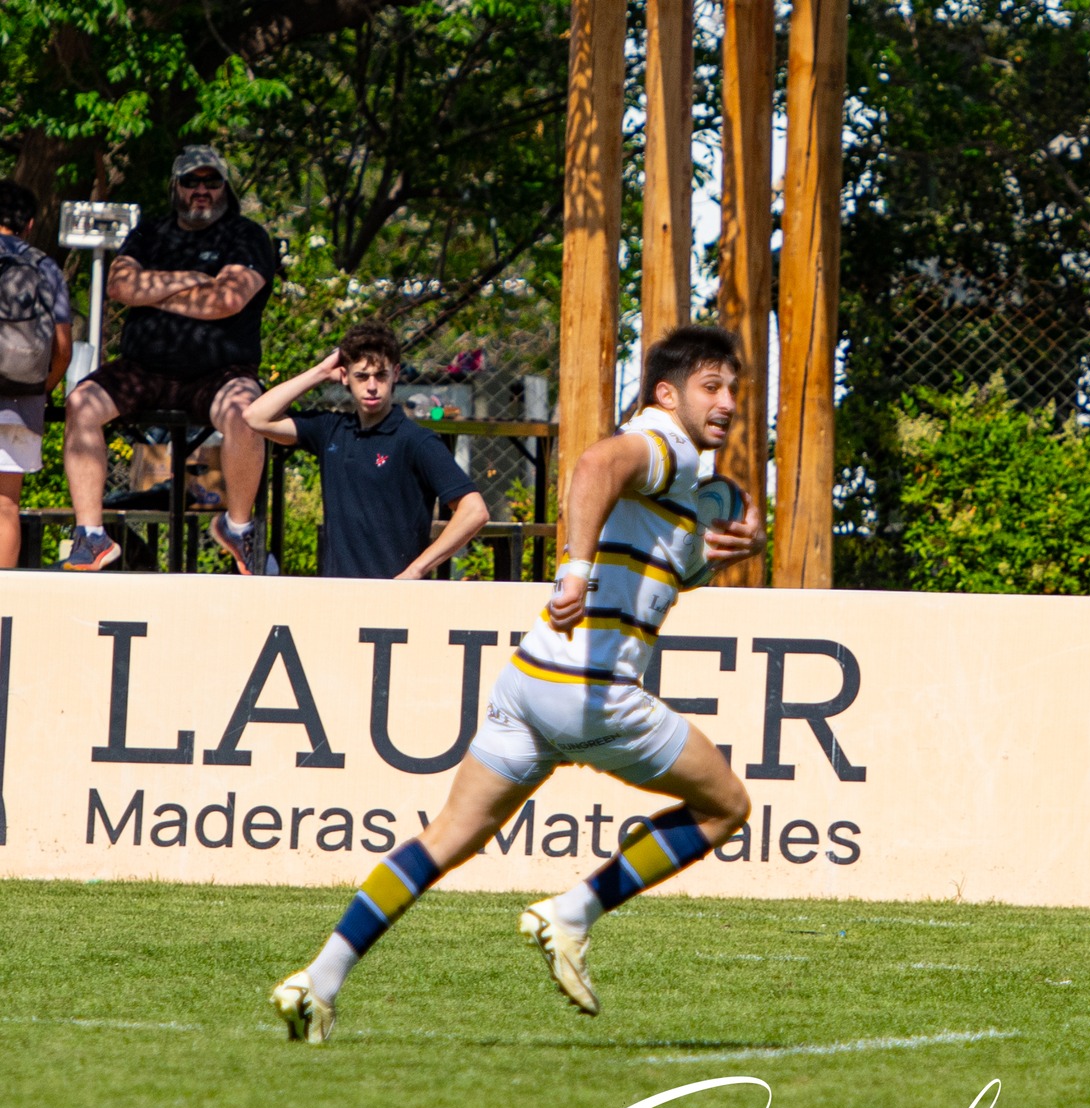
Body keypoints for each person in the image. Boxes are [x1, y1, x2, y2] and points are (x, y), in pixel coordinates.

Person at [268, 325, 768, 1043]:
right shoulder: (665, 443)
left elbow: (671, 558)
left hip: (531, 680)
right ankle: (572, 913)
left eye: (733, 390)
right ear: (666, 394)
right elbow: (594, 464)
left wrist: (727, 549)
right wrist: (574, 571)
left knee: (446, 838)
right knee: (726, 806)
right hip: (591, 690)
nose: (727, 402)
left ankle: (318, 980)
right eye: (711, 387)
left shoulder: (680, 476)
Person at [60, 145, 278, 573]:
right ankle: (91, 536)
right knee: (80, 403)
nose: (201, 190)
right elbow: (119, 286)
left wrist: (152, 293)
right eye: (191, 181)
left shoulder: (246, 235)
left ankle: (238, 527)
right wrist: (192, 279)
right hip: (144, 369)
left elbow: (226, 300)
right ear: (175, 187)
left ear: (226, 188)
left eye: (211, 181)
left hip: (220, 372)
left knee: (246, 412)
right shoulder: (150, 233)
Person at [243, 321, 490, 578]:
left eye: (380, 375)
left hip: (394, 595)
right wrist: (320, 372)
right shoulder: (331, 430)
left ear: (395, 374)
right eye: (361, 376)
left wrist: (415, 571)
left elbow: (474, 511)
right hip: (339, 593)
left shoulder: (416, 441)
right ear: (344, 376)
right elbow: (256, 417)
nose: (372, 386)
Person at [0, 180, 72, 568]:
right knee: (5, 507)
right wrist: (40, 389)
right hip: (19, 402)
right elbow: (62, 348)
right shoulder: (44, 266)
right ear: (29, 224)